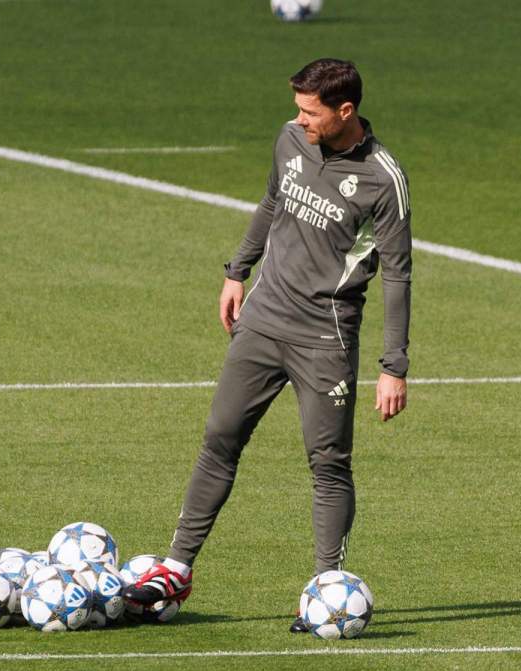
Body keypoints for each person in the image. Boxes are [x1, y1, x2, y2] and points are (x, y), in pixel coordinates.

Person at [123, 58, 412, 632]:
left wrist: (393, 365)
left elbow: (399, 274)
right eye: (298, 108)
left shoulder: (384, 180)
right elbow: (272, 204)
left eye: (311, 111)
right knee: (220, 438)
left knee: (328, 464)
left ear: (344, 111)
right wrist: (237, 271)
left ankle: (326, 588)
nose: (299, 119)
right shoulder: (289, 140)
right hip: (262, 321)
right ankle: (175, 568)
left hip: (324, 339)